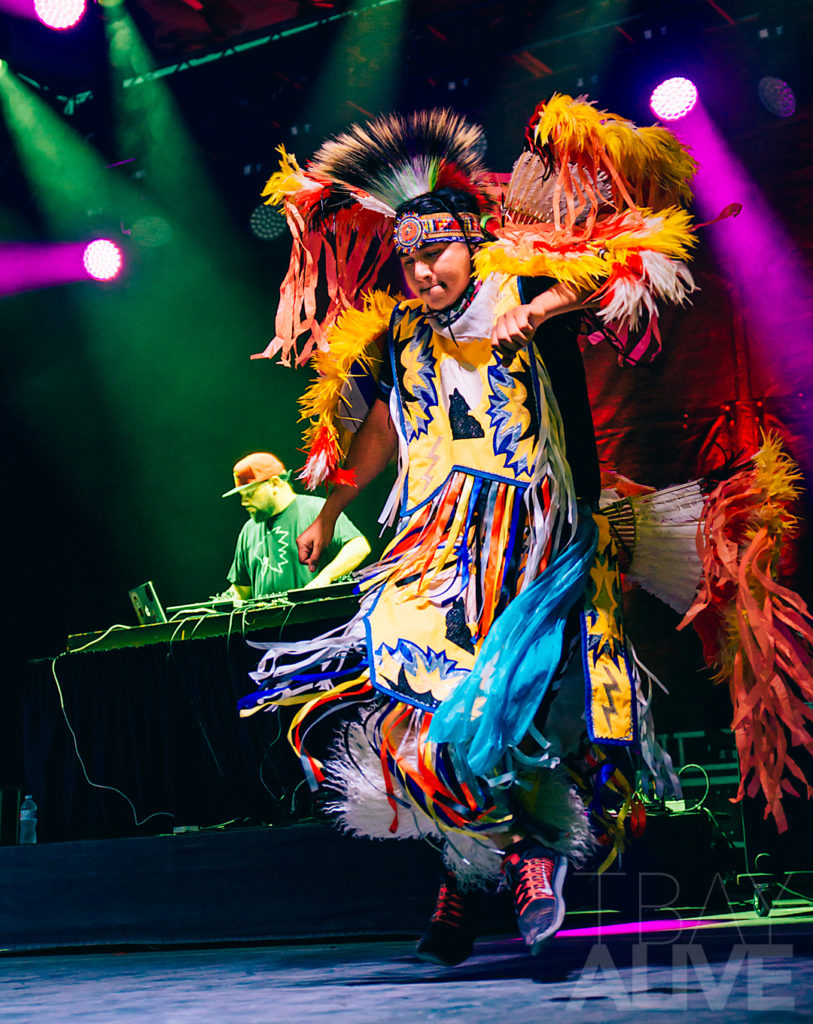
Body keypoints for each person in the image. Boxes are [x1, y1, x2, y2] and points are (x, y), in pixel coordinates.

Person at [240, 99, 813, 965]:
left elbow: (623, 264)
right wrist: (327, 510)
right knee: (417, 695)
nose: (420, 272)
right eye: (408, 259)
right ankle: (478, 864)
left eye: (434, 254)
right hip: (433, 545)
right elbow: (384, 427)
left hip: (534, 546)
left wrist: (540, 310)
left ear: (471, 243)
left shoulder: (519, 291)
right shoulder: (402, 332)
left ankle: (508, 867)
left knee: (519, 709)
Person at [223, 451, 371, 600]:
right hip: (266, 616)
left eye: (249, 494)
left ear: (275, 484)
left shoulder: (316, 511)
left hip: (313, 614)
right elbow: (242, 590)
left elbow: (359, 547)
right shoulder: (249, 530)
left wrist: (325, 577)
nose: (243, 502)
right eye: (242, 496)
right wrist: (222, 602)